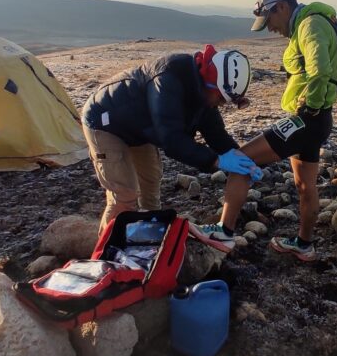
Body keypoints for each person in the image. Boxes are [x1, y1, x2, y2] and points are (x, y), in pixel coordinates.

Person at [189, 0, 337, 261]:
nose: (269, 28)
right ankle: (304, 246)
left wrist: (311, 106)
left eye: (268, 20)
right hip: (318, 121)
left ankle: (224, 231)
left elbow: (320, 70)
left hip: (309, 119)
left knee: (242, 160)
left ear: (281, 7)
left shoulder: (309, 26)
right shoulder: (312, 23)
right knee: (306, 185)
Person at [82, 45, 262, 233]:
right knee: (124, 195)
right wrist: (216, 160)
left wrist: (241, 157)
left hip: (139, 127)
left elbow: (215, 132)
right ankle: (106, 254)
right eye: (221, 99)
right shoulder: (168, 79)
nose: (221, 104)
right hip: (105, 122)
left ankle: (146, 238)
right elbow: (172, 140)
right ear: (210, 84)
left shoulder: (205, 92)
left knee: (150, 183)